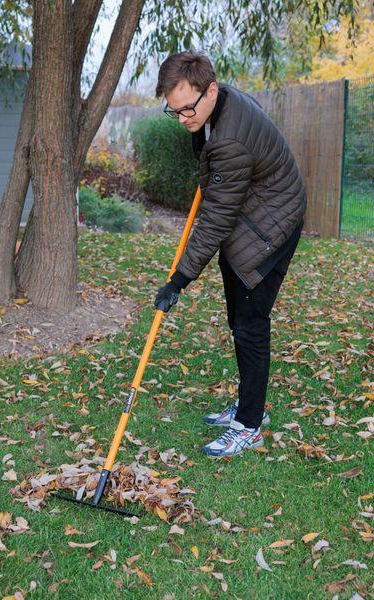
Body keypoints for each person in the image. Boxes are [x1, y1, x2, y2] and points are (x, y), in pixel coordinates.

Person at [154, 50, 306, 458]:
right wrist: (196, 132)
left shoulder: (231, 140)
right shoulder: (218, 106)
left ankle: (250, 425)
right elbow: (210, 167)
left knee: (250, 323)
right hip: (254, 213)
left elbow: (216, 221)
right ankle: (248, 404)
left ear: (211, 90)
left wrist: (178, 281)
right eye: (175, 112)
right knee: (239, 319)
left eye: (188, 109)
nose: (185, 119)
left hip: (272, 224)